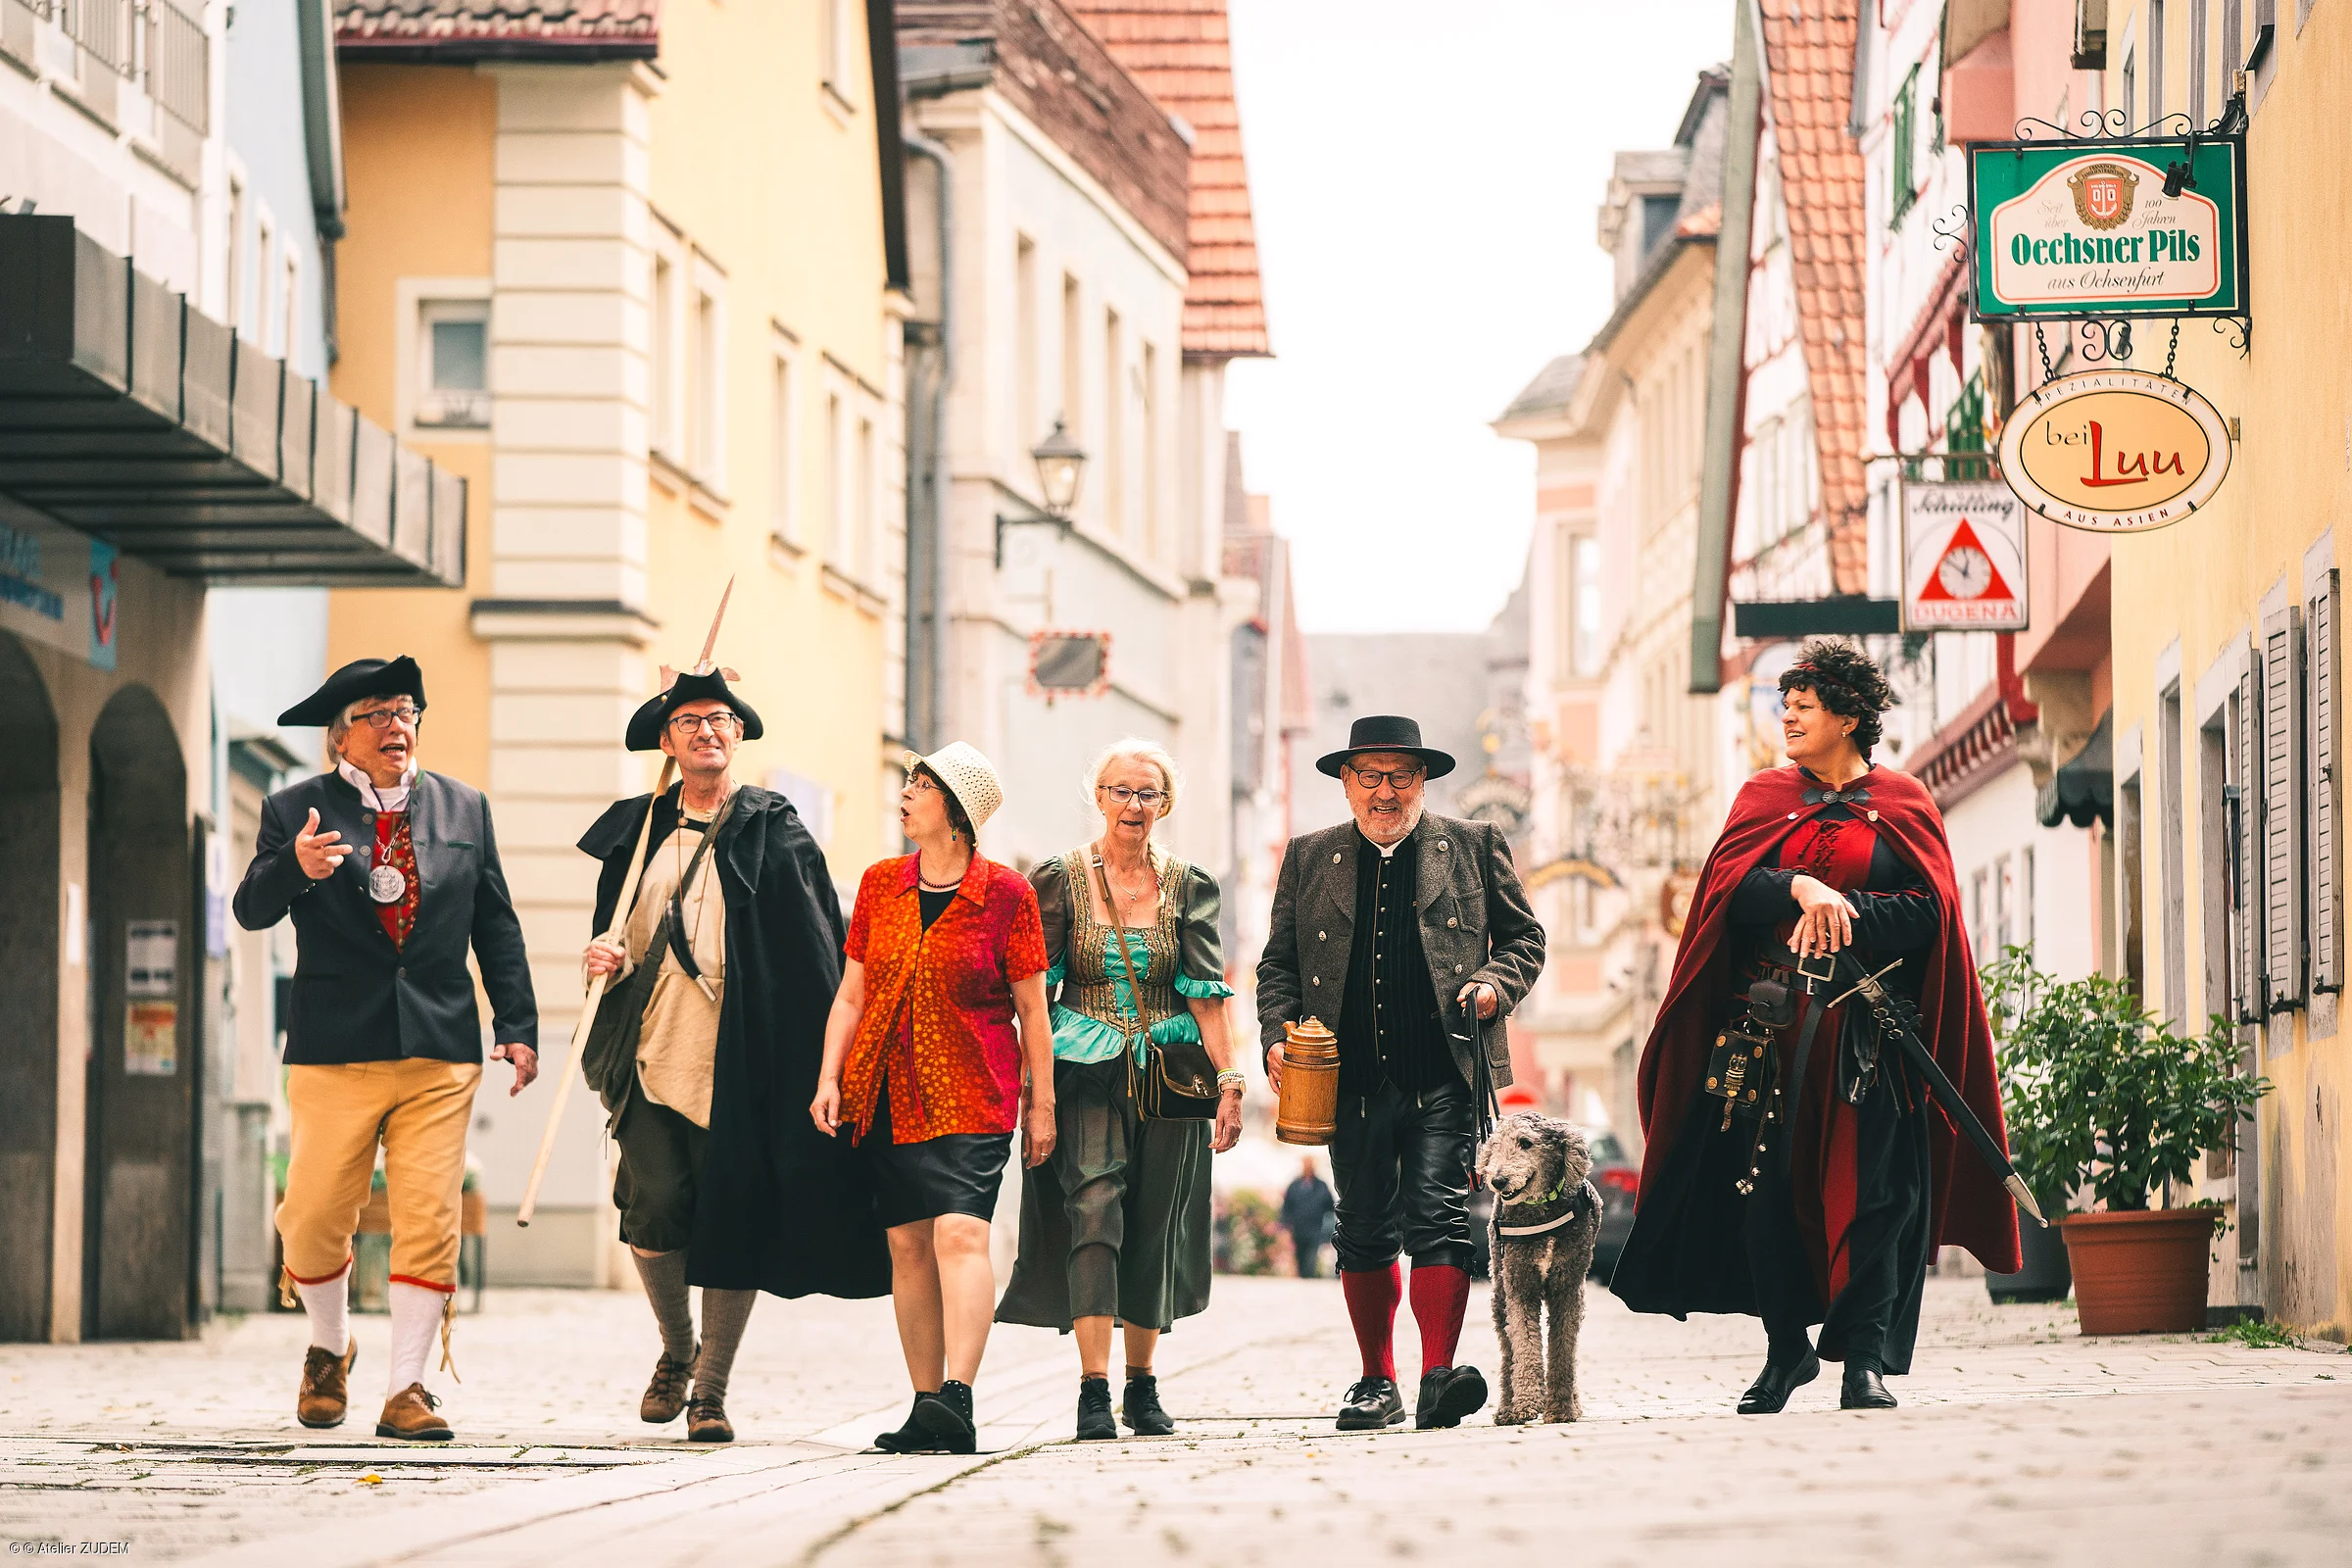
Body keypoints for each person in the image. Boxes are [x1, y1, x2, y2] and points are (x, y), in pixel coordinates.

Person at [1609, 640, 2022, 1413]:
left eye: (1804, 706)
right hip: (1769, 1034)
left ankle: (1863, 1359)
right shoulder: (1763, 795)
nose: (1788, 718)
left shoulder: (1904, 802)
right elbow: (1726, 893)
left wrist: (1848, 910)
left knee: (1875, 1199)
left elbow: (1930, 915)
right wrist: (1799, 886)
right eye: (1785, 705)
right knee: (1766, 1196)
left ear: (1850, 717)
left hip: (1867, 1038)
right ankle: (1785, 1350)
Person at [232, 657, 538, 1443]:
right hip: (334, 1044)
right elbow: (251, 909)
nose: (398, 725)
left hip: (438, 1044)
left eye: (406, 712)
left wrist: (516, 1024)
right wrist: (293, 868)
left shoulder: (464, 806)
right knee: (311, 1217)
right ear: (341, 736)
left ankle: (408, 1387)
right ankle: (329, 1347)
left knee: (429, 1215)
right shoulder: (294, 808)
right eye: (378, 714)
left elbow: (495, 924)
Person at [579, 668, 887, 1444]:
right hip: (652, 1050)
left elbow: (817, 950)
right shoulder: (638, 830)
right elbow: (615, 932)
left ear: (739, 735)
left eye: (718, 718)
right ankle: (677, 1347)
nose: (706, 731)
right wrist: (602, 958)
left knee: (732, 1216)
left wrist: (828, 1065)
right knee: (654, 1207)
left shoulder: (774, 829)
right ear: (667, 740)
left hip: (744, 1058)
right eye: (688, 721)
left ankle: (709, 1390)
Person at [1257, 714, 1546, 1432]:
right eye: (1370, 776)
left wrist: (1494, 985)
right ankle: (1375, 1381)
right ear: (1346, 782)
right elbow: (1278, 965)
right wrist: (1276, 1035)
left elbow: (1524, 939)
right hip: (1345, 1078)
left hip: (1443, 1071)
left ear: (1423, 781)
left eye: (1401, 776)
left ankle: (1437, 1376)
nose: (1385, 791)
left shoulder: (1473, 843)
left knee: (1439, 1218)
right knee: (1361, 1225)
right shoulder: (1309, 856)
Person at [996, 740, 1246, 1441]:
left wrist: (1230, 1081)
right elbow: (1035, 998)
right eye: (1121, 791)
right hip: (1085, 1070)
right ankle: (1093, 1388)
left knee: (1155, 1221)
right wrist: (1036, 1095)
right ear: (1098, 796)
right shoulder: (1058, 879)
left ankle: (1143, 1384)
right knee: (1094, 1207)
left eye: (1148, 793)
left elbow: (1206, 995)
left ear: (1166, 803)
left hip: (1170, 1077)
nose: (1134, 805)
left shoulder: (1190, 884)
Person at [810, 742, 1055, 1454]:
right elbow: (851, 995)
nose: (906, 792)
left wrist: (1041, 1104)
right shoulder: (880, 883)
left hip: (975, 1087)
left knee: (960, 1233)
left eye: (920, 784)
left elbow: (1032, 1010)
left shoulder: (1007, 894)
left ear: (956, 810)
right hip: (888, 1084)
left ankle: (959, 1395)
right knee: (909, 1243)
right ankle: (926, 1405)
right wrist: (829, 1077)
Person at [1280, 1158, 1337, 1279]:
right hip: (1298, 1229)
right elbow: (1287, 1207)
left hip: (1315, 1229)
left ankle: (1308, 1278)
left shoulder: (1321, 1186)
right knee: (1300, 1257)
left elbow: (1330, 1205)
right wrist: (1285, 1226)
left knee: (1310, 1259)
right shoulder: (1294, 1185)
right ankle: (1303, 1279)